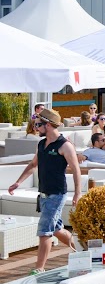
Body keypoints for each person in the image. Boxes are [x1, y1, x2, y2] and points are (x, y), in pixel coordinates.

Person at [8, 109, 81, 274]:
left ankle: (39, 269)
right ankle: (83, 249)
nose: (35, 128)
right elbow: (33, 164)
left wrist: (77, 193)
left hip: (57, 194)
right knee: (56, 229)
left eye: (38, 125)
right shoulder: (41, 144)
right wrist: (18, 182)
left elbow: (76, 169)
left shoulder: (65, 145)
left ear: (48, 125)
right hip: (43, 194)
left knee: (44, 231)